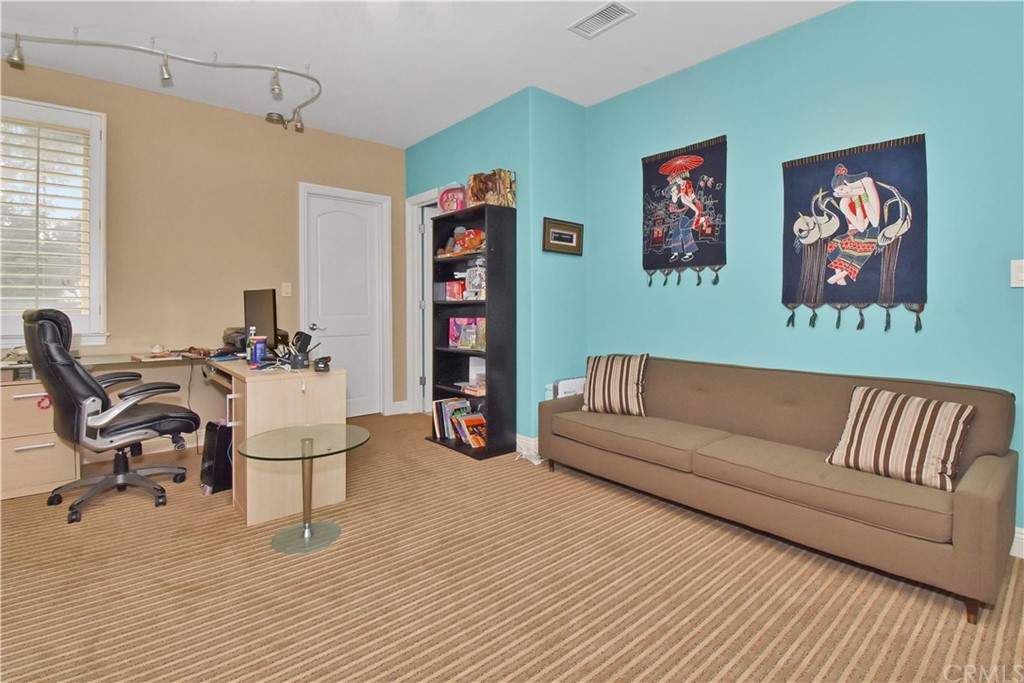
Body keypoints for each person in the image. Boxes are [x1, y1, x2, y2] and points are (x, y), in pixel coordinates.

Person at [826, 163, 881, 285]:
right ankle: (840, 274)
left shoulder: (867, 183)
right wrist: (856, 199)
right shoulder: (843, 203)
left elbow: (875, 222)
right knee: (833, 245)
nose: (839, 194)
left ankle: (843, 273)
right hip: (854, 231)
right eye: (836, 193)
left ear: (847, 183)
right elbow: (860, 227)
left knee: (861, 242)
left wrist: (863, 197)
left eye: (841, 189)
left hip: (869, 231)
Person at [666, 172, 703, 263]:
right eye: (671, 190)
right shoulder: (673, 199)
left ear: (677, 190)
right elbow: (673, 210)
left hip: (690, 210)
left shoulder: (682, 196)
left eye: (674, 190)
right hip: (684, 214)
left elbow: (690, 204)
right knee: (677, 232)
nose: (672, 191)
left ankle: (701, 220)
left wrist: (697, 212)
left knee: (683, 227)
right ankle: (676, 253)